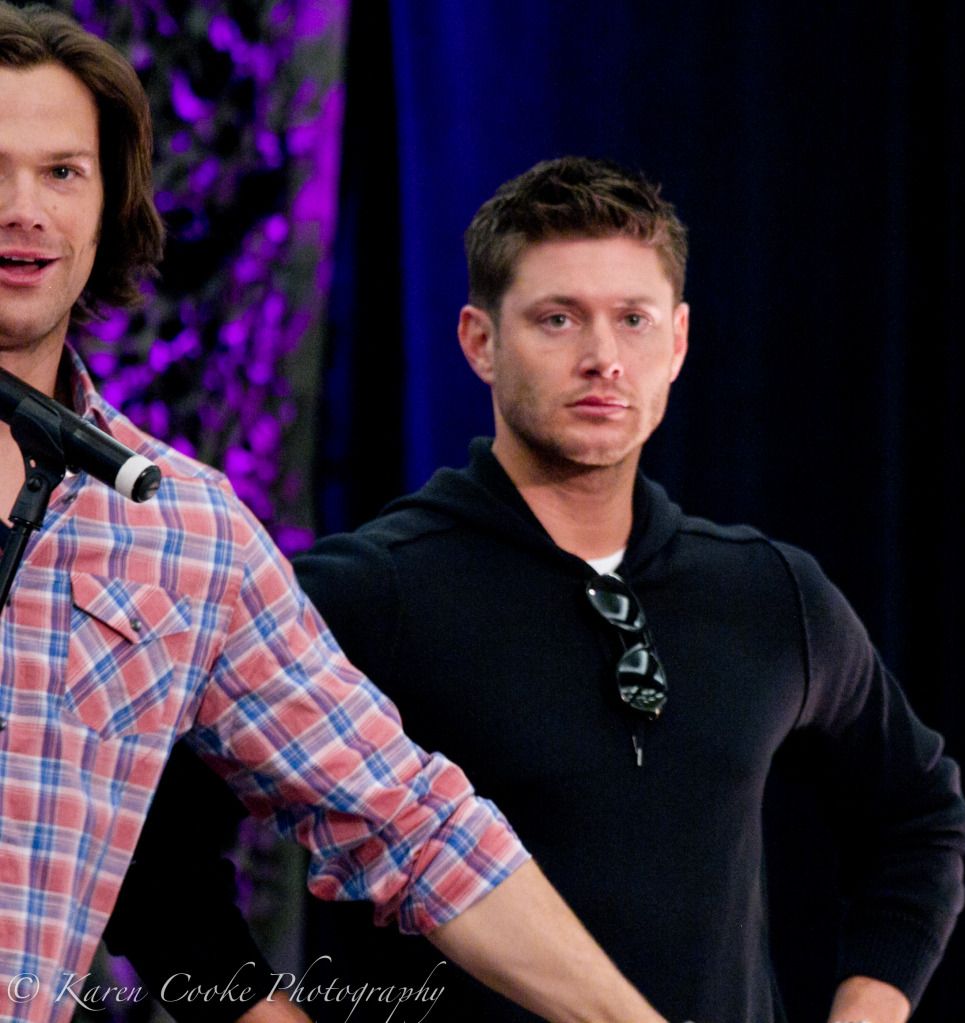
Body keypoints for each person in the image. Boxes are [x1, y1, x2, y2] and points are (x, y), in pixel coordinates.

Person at [107, 153, 965, 1023]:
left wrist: (868, 1010)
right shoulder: (369, 592)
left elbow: (922, 818)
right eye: (557, 319)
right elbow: (145, 850)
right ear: (479, 341)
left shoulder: (768, 592)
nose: (603, 357)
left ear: (677, 342)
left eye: (633, 320)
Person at [0, 7, 679, 1023]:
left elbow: (410, 823)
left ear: (111, 206)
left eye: (63, 172)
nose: (24, 210)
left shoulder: (178, 528)